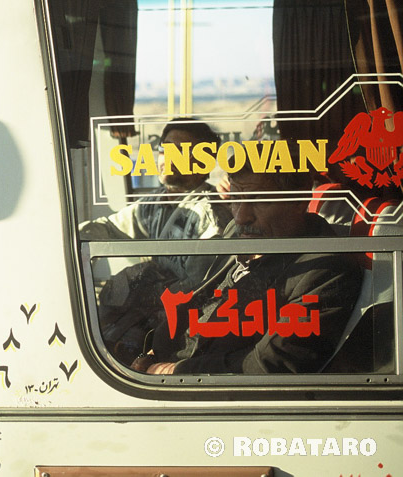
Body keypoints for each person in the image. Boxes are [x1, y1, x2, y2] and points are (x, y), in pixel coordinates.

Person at [132, 162, 362, 374]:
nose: (241, 217)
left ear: (299, 201)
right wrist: (153, 353)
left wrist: (174, 371)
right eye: (235, 198)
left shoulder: (325, 270)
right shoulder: (240, 232)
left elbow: (268, 364)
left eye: (258, 200)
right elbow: (199, 300)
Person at [80, 121, 232, 363]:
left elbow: (198, 290)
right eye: (165, 149)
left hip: (180, 333)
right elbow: (109, 228)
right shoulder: (155, 203)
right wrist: (70, 239)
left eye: (181, 151)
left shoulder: (210, 214)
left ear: (204, 162)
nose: (168, 158)